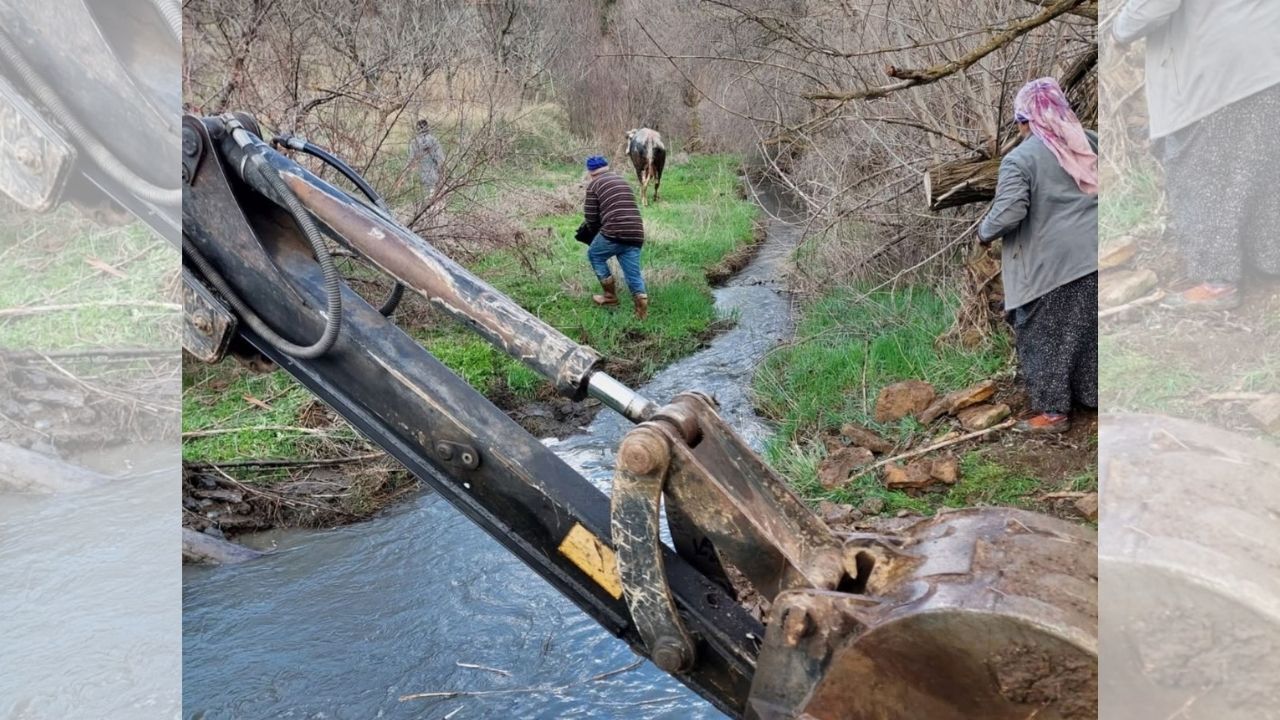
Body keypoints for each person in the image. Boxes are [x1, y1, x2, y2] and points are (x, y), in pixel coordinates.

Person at [1113, 1, 1280, 311]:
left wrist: (1120, 29)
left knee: (1202, 179)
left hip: (1215, 70)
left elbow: (1152, 7)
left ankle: (1218, 283)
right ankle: (1269, 262)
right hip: (1269, 56)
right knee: (1262, 167)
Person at [979, 78, 1099, 434]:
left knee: (1042, 338)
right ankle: (1093, 397)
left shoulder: (1020, 159)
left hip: (1050, 266)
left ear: (1026, 120)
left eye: (1020, 121)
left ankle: (1053, 413)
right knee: (1088, 332)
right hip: (1097, 253)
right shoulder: (1088, 141)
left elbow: (1009, 212)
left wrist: (983, 232)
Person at [581, 155, 649, 319]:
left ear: (590, 172)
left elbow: (591, 217)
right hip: (636, 232)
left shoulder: (594, 185)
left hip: (614, 230)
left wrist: (593, 233)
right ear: (607, 168)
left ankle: (610, 297)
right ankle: (641, 312)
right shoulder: (622, 181)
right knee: (633, 274)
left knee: (595, 255)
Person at [407, 119, 445, 198]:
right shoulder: (434, 140)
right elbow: (440, 157)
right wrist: (441, 169)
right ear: (427, 127)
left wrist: (407, 171)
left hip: (422, 172)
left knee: (425, 194)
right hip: (434, 171)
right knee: (434, 192)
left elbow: (411, 159)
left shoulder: (414, 142)